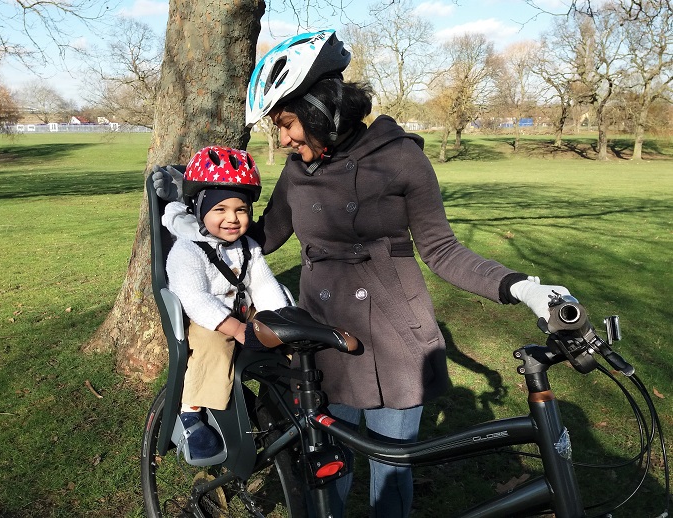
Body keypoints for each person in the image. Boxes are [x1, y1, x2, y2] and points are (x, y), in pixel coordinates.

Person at [156, 30, 572, 517]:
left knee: (393, 469)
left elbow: (442, 250)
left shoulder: (401, 158)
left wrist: (522, 288)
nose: (285, 138)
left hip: (397, 339)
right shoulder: (297, 171)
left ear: (321, 109)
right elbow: (259, 237)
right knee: (326, 460)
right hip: (323, 335)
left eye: (288, 123)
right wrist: (189, 215)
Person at [161, 145, 288, 461]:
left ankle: (286, 397)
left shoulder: (248, 246)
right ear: (200, 210)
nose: (232, 219)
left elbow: (262, 283)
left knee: (288, 331)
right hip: (207, 319)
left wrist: (278, 317)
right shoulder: (188, 251)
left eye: (241, 210)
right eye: (220, 210)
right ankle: (191, 412)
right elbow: (195, 298)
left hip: (242, 311)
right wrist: (237, 328)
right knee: (213, 344)